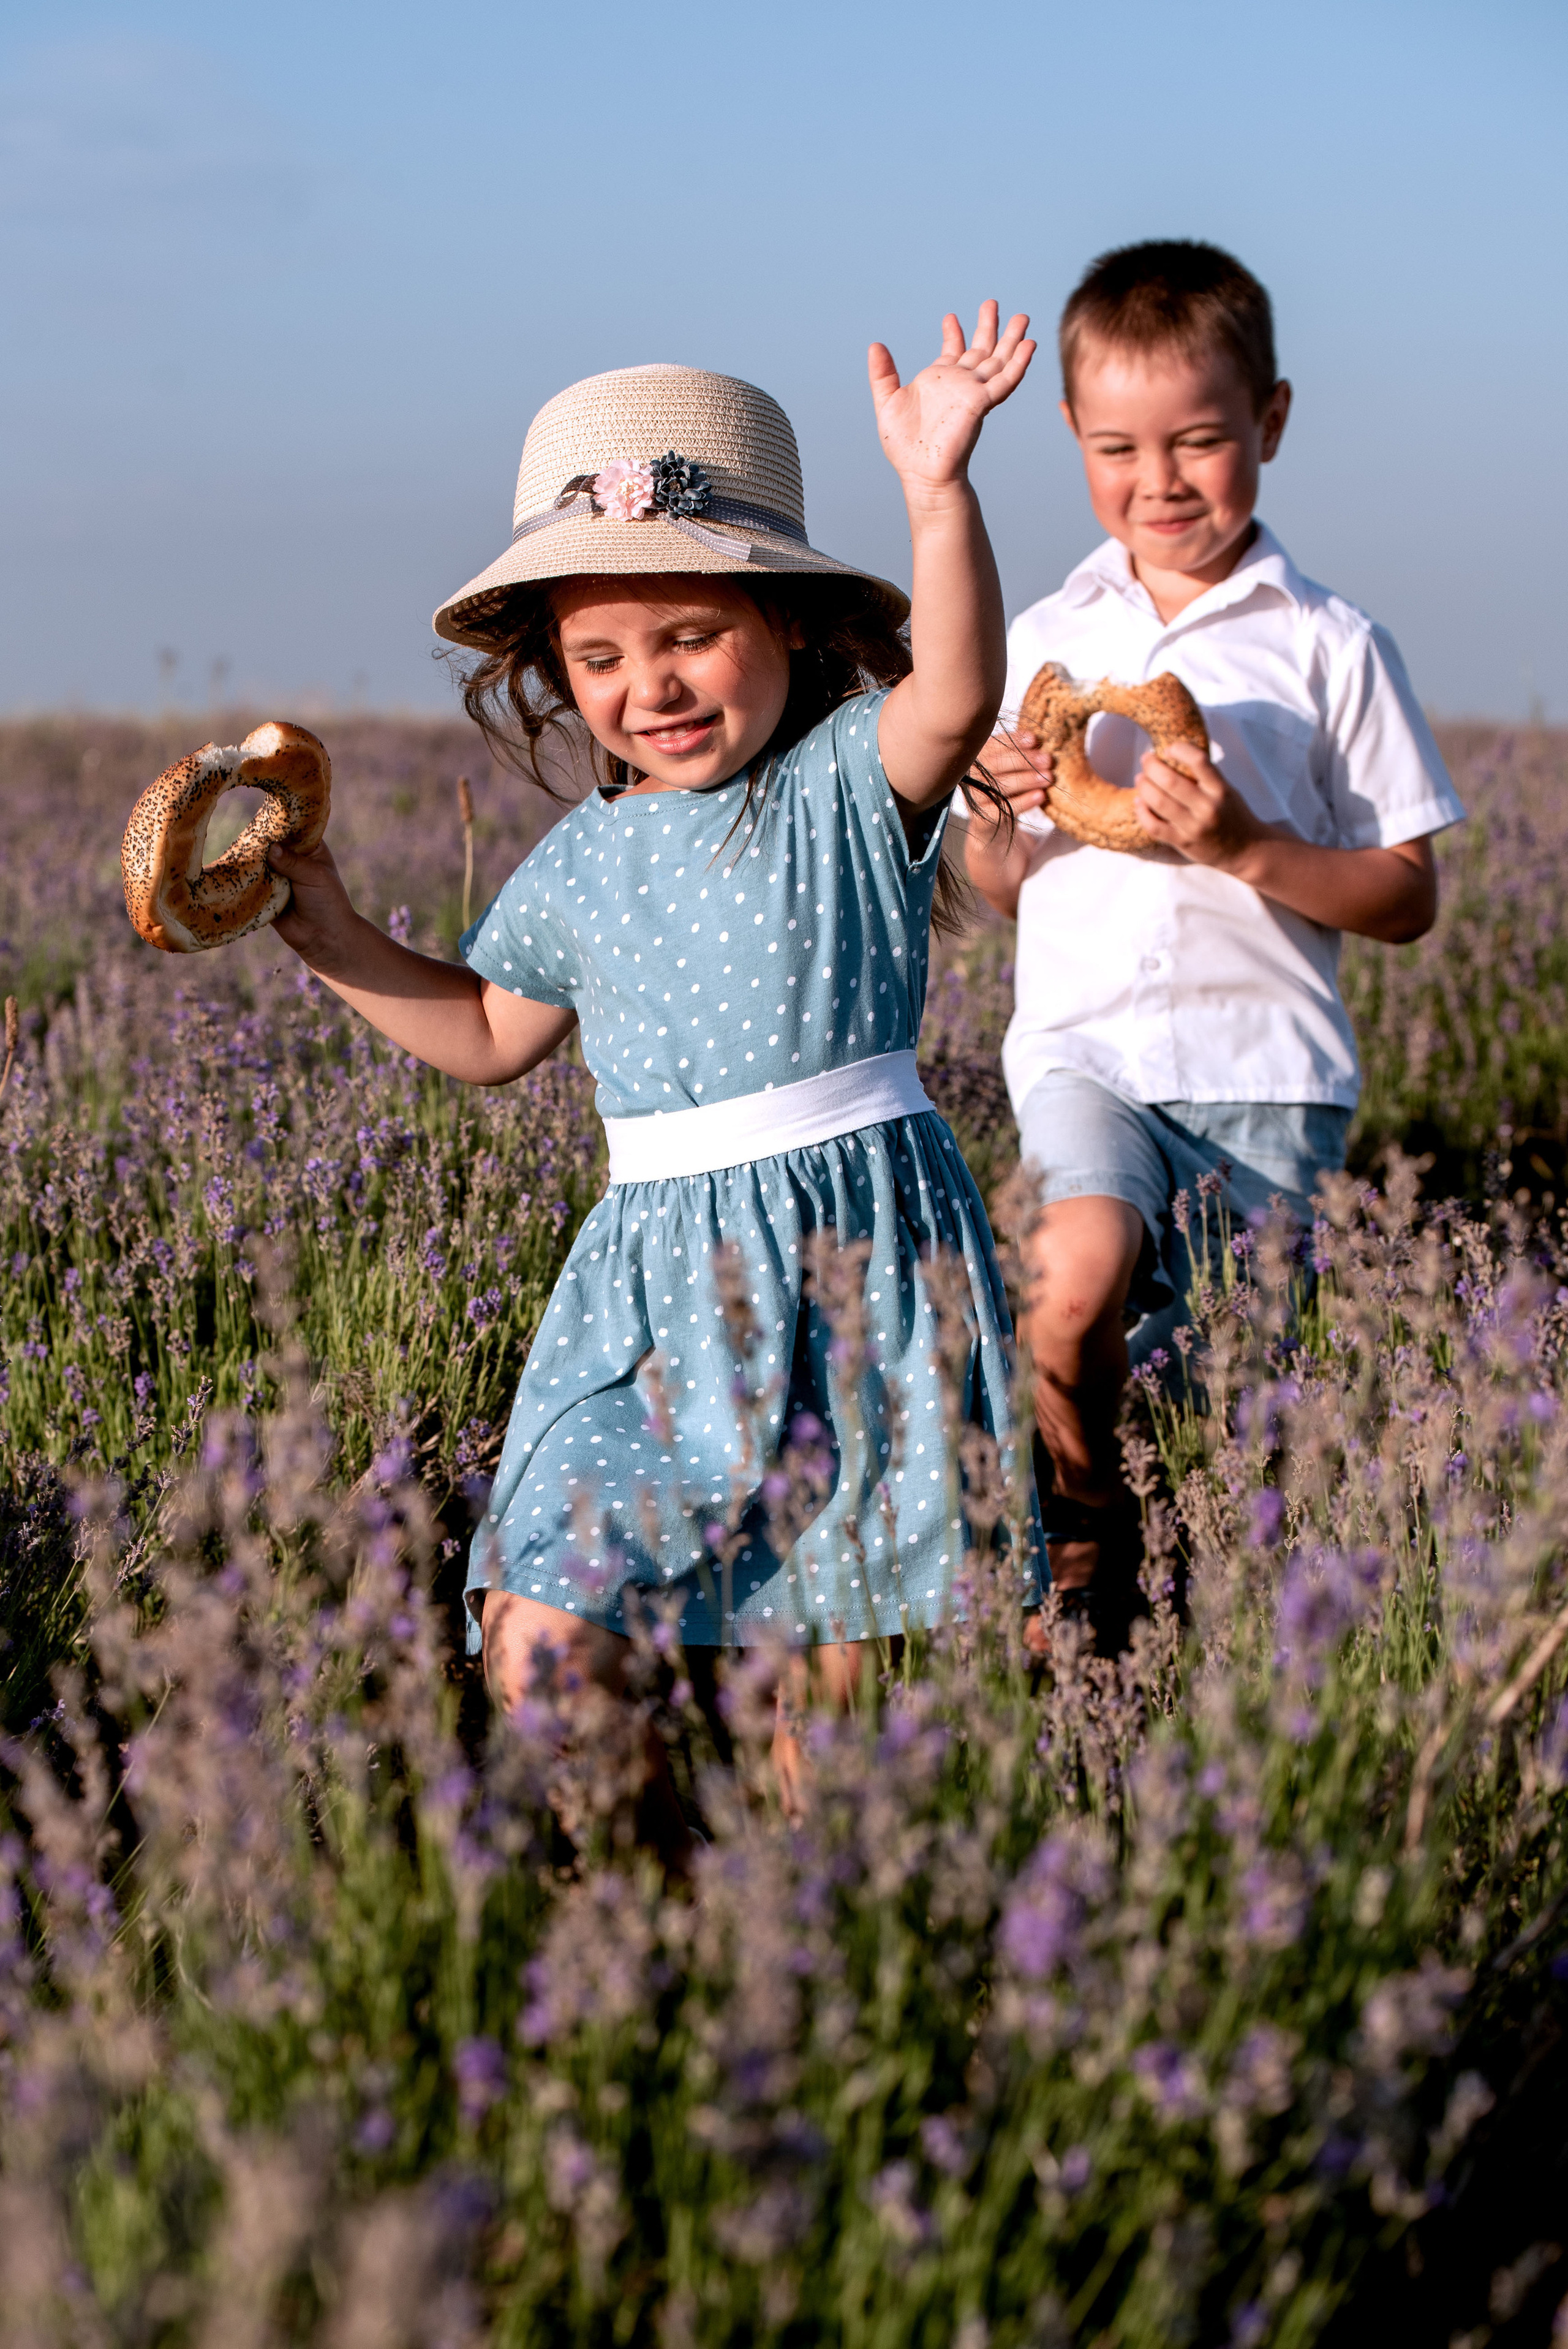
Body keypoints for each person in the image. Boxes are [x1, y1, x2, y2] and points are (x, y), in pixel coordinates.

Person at [268, 314, 1042, 1839]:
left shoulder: (842, 783)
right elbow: (491, 1034)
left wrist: (937, 485)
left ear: (788, 629)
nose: (653, 687)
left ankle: (761, 1953)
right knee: (545, 1635)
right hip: (645, 1307)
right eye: (601, 656)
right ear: (555, 671)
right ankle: (618, 1896)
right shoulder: (584, 861)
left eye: (690, 636)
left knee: (823, 1712)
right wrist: (331, 930)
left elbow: (952, 694)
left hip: (852, 1279)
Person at [962, 241, 1464, 1646]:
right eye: (1117, 447)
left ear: (1272, 424)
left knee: (1227, 1392)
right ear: (1069, 437)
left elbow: (1405, 892)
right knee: (1070, 1276)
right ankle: (1077, 1545)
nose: (1159, 481)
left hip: (1266, 1077)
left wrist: (1244, 847)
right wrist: (997, 816)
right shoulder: (1047, 640)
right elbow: (1010, 882)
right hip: (1083, 1055)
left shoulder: (1326, 644)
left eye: (1199, 441)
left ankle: (1199, 1603)